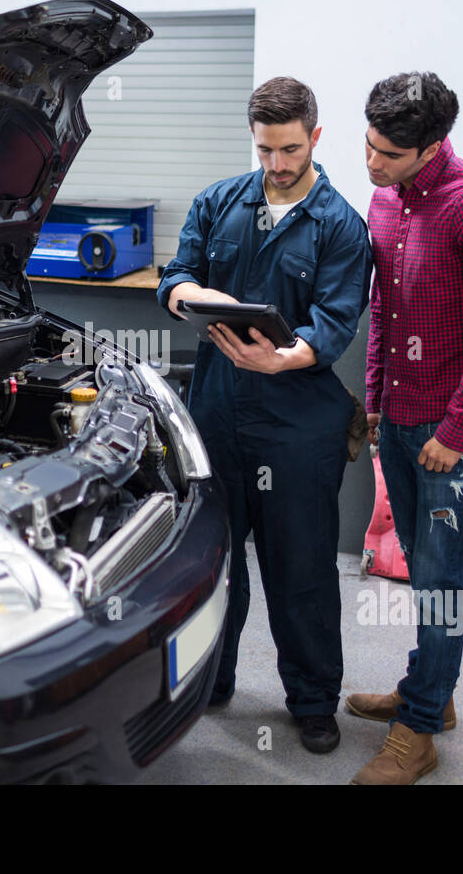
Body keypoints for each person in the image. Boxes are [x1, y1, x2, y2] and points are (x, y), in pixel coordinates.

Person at [157, 76, 372, 754]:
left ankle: (312, 701)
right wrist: (192, 294)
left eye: (287, 149)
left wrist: (288, 358)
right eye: (264, 151)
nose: (276, 165)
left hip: (298, 422)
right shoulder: (218, 202)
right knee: (214, 559)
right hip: (217, 412)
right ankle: (212, 680)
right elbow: (173, 277)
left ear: (314, 136)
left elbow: (335, 322)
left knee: (301, 567)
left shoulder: (341, 225)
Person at [346, 71, 463, 784]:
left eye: (388, 154)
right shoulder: (385, 203)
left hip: (451, 432)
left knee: (444, 579)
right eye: (369, 145)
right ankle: (429, 694)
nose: (372, 165)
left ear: (431, 146)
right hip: (399, 418)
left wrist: (457, 431)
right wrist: (377, 399)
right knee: (422, 569)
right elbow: (385, 313)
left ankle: (419, 732)